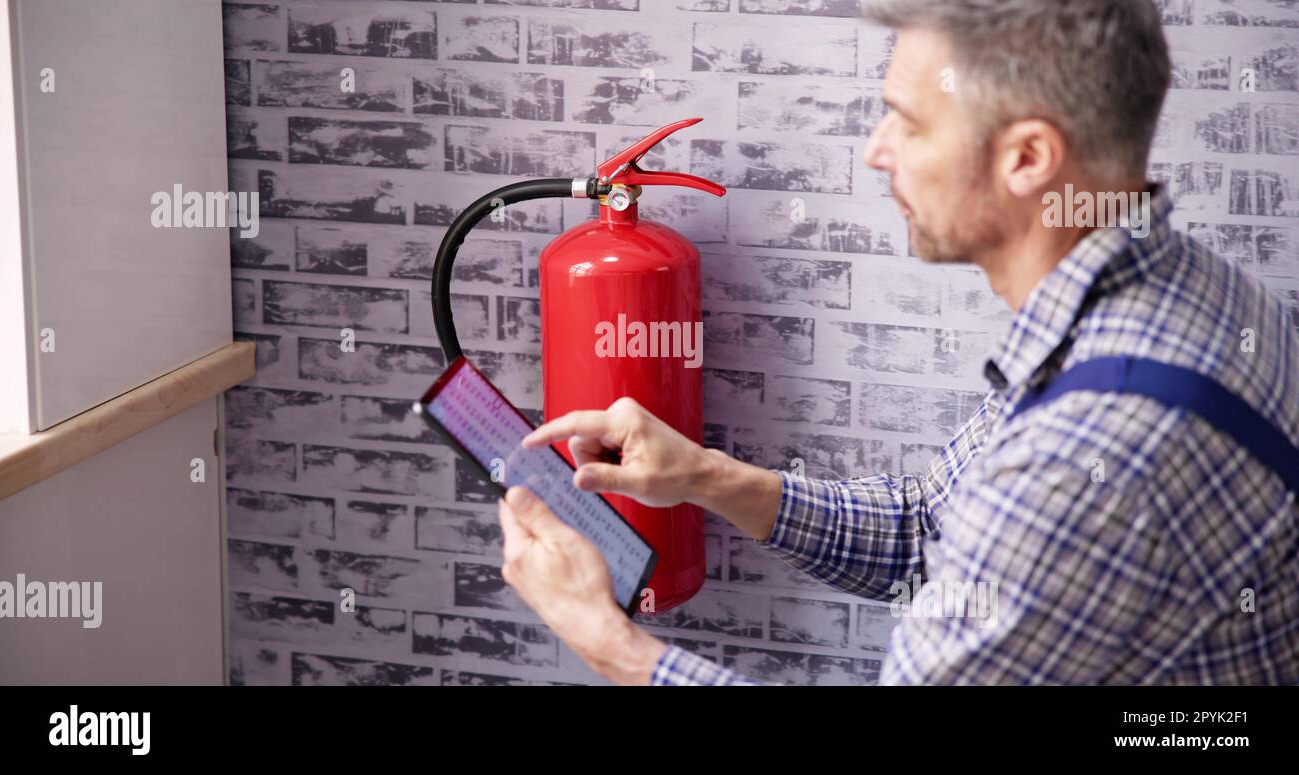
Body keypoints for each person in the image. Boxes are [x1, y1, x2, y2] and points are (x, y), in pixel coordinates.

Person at [494, 0, 1299, 685]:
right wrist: (705, 475)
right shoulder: (1200, 295)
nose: (877, 149)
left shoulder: (1080, 459)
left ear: (1027, 158)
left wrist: (607, 641)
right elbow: (928, 532)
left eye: (908, 122)